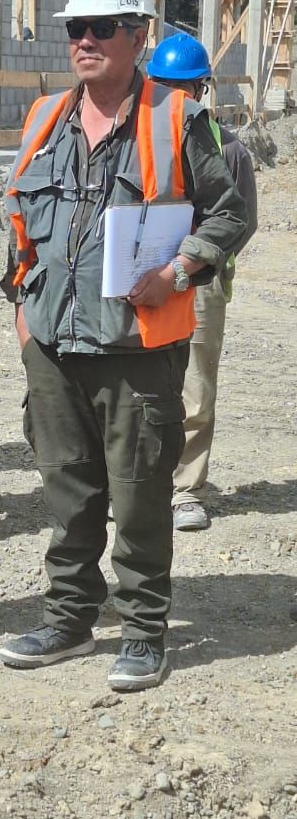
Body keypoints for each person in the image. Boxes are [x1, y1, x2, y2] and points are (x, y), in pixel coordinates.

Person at [0, 0, 247, 690]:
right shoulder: (45, 116)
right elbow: (17, 221)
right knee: (65, 491)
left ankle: (143, 631)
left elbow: (227, 211)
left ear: (138, 34)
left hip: (137, 347)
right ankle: (70, 620)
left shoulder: (177, 119)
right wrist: (21, 314)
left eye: (102, 27)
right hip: (52, 343)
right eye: (77, 27)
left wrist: (177, 271)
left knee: (139, 494)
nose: (85, 40)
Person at [146, 32, 258, 531]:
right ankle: (138, 483)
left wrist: (199, 265)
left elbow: (243, 221)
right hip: (142, 278)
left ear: (200, 90)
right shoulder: (139, 141)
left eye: (184, 88)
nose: (177, 98)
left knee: (195, 387)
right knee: (140, 383)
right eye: (166, 87)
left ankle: (186, 489)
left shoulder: (229, 151)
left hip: (200, 285)